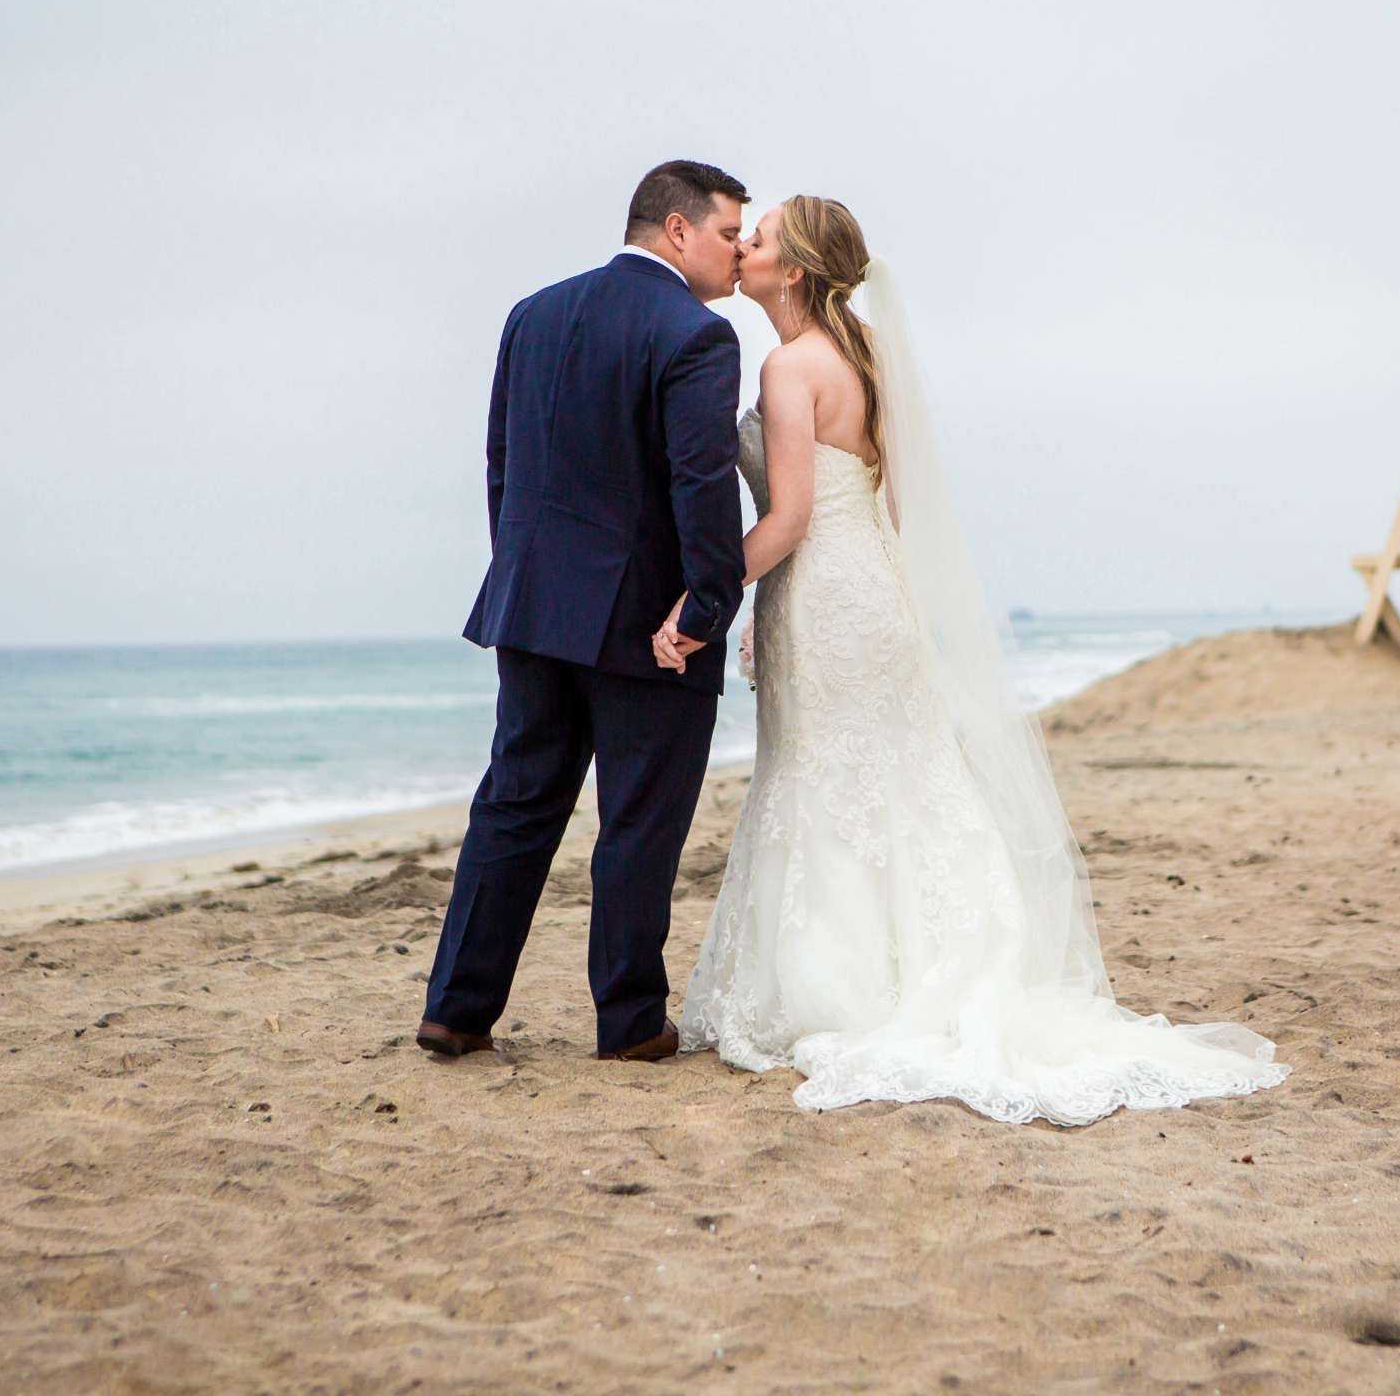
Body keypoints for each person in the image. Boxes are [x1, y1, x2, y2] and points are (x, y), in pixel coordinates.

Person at [662, 196, 1290, 1127]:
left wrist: (703, 604)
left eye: (757, 241)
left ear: (792, 271)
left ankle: (839, 986)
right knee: (898, 776)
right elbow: (895, 511)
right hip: (871, 594)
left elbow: (789, 520)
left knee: (822, 775)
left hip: (825, 598)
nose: (742, 250)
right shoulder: (869, 356)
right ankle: (932, 959)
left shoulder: (791, 364)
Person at [418, 160, 748, 1064]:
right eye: (728, 233)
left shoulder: (533, 312)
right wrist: (709, 603)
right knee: (637, 820)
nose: (738, 252)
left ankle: (456, 1008)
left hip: (531, 607)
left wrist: (523, 573)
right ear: (677, 231)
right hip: (649, 627)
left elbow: (502, 466)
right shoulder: (696, 335)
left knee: (514, 808)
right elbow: (701, 483)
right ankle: (630, 1022)